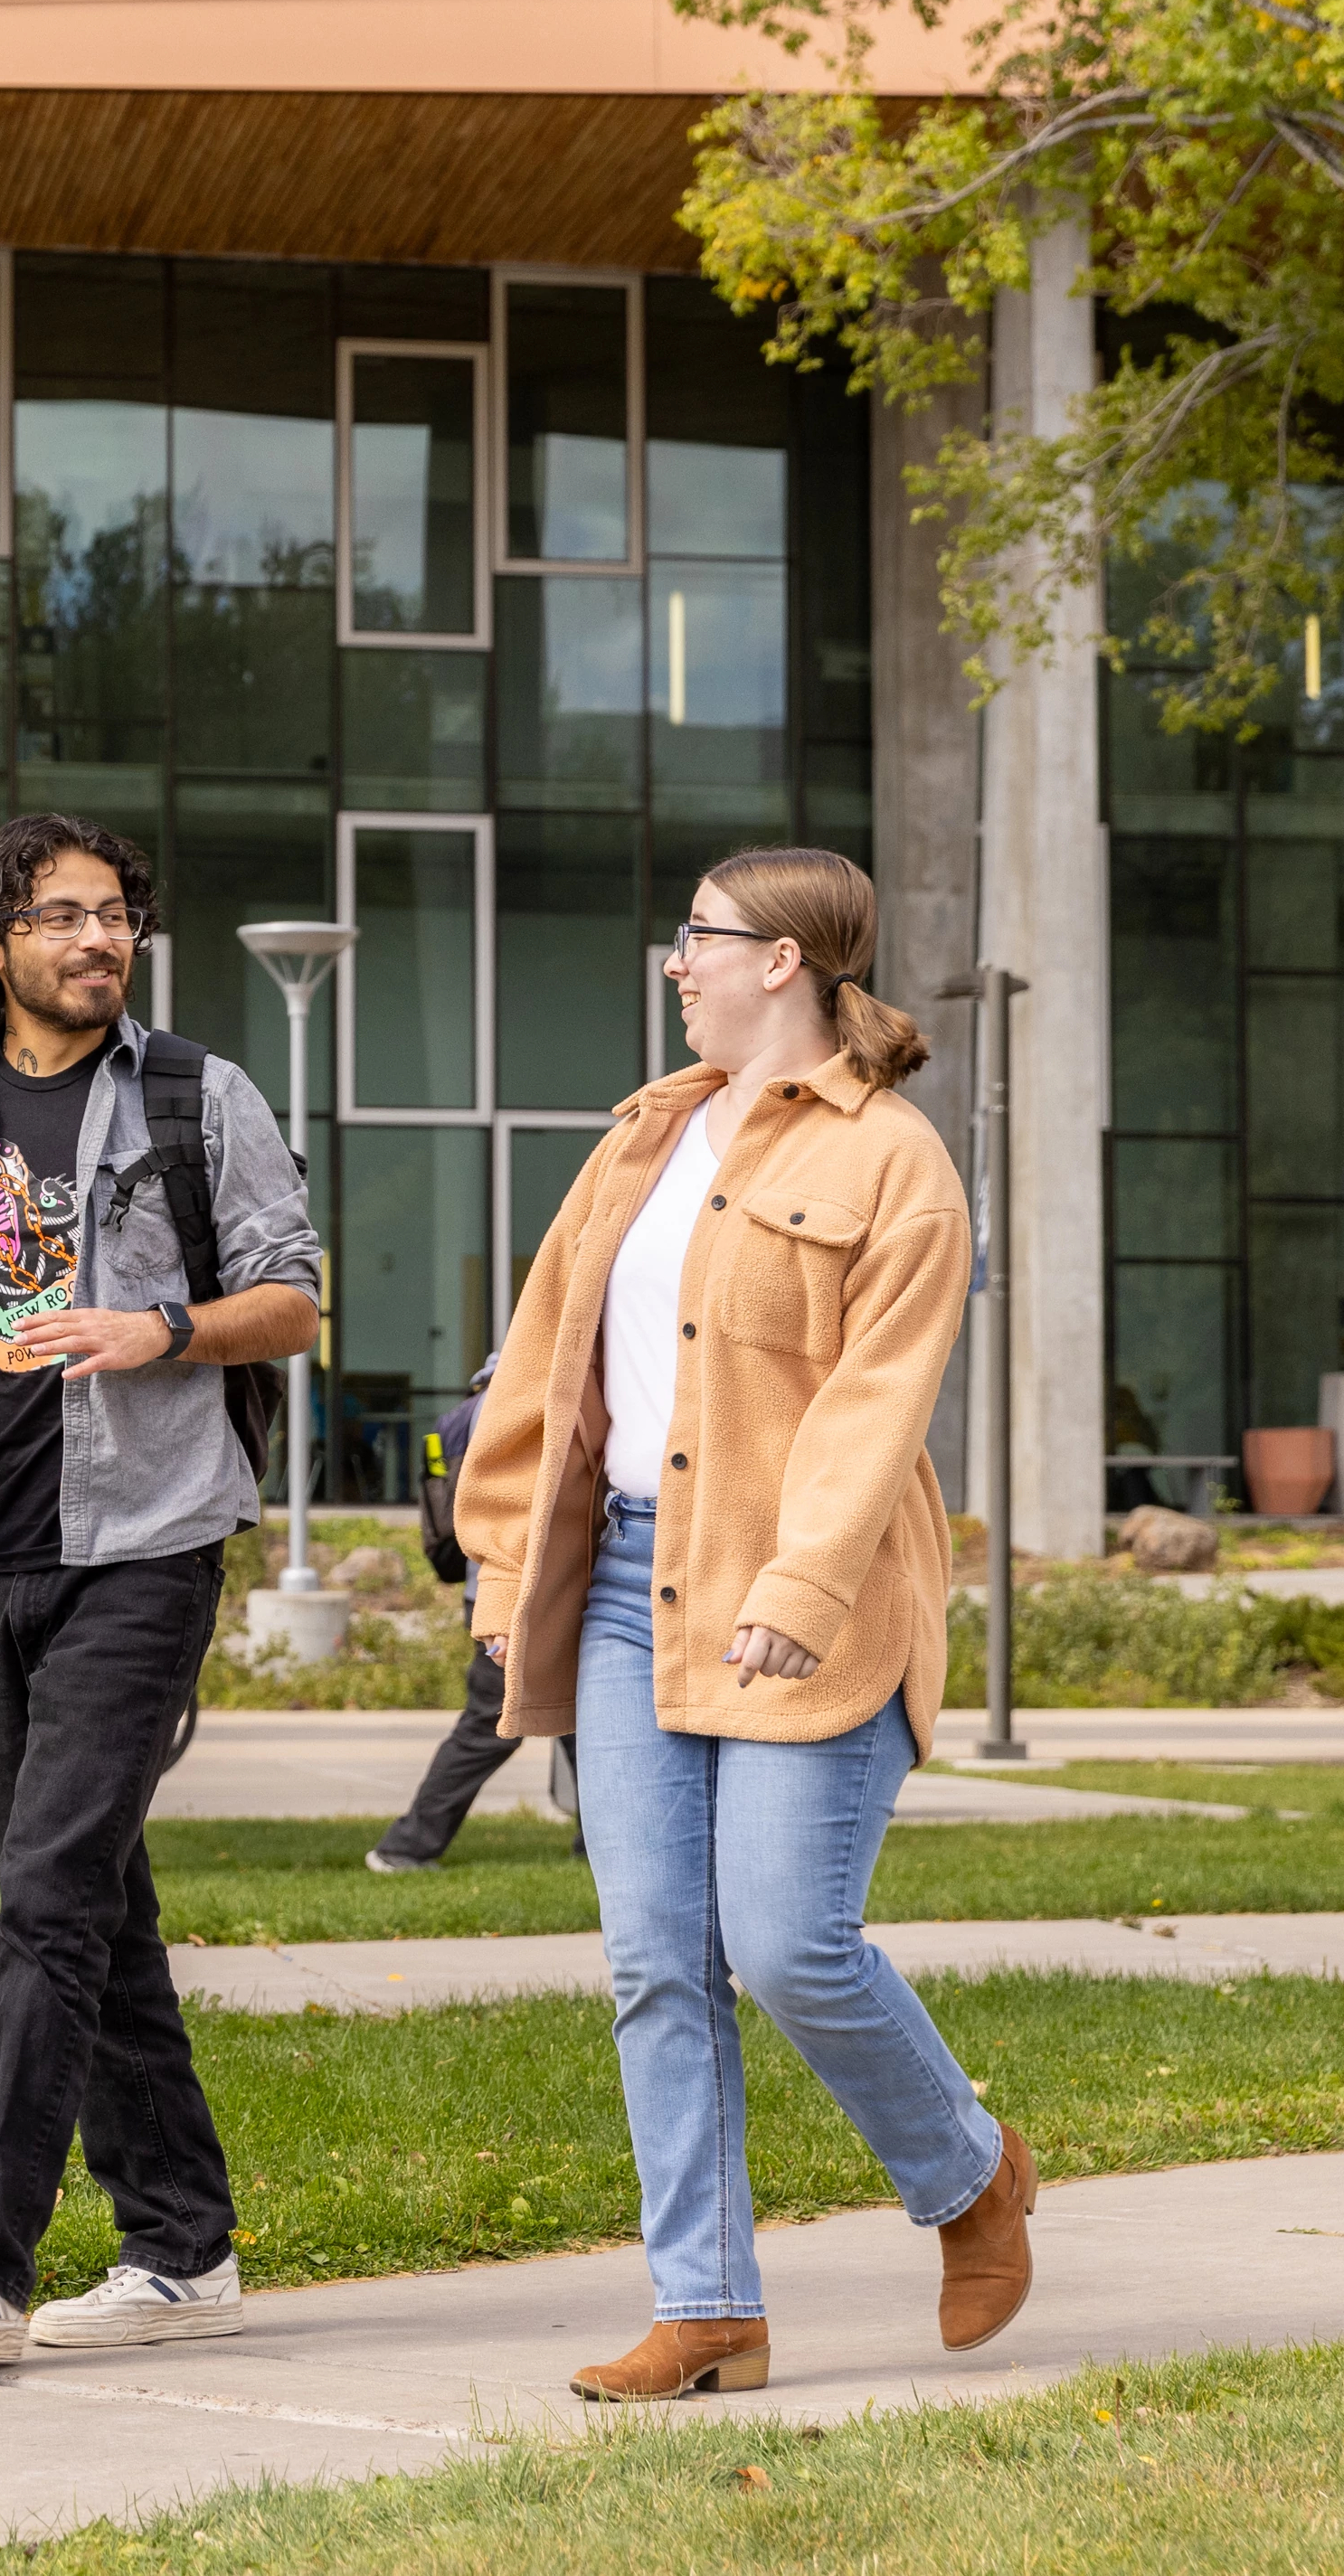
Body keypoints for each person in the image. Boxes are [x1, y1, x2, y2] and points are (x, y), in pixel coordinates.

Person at [455, 847, 1031, 2402]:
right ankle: (708, 2303)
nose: (674, 962)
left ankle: (972, 2174)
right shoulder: (646, 1133)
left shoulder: (895, 1160)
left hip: (808, 1591)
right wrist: (511, 1574)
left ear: (782, 960)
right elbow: (542, 1371)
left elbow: (875, 1402)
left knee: (788, 1940)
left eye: (695, 937)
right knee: (656, 1955)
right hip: (640, 1590)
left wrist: (799, 1583)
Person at [0, 813, 323, 2366]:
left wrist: (155, 1330)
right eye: (63, 915)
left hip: (151, 1536)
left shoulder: (195, 1096)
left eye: (116, 914)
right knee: (96, 1898)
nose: (100, 938)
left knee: (46, 1892)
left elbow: (296, 1299)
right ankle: (183, 2242)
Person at [365, 1357, 533, 1872]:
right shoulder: (511, 1410)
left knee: (576, 1715)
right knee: (490, 1722)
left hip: (486, 1589)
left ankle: (592, 1844)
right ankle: (406, 1846)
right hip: (511, 1595)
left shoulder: (461, 1416)